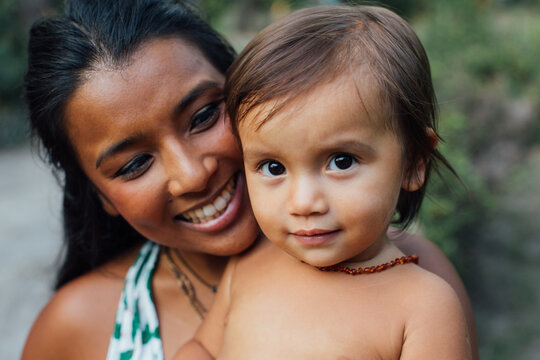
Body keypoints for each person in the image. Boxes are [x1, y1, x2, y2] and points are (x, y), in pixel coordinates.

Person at [20, 1, 477, 359]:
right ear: (102, 195)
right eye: (134, 164)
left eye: (204, 115)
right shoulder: (72, 326)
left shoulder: (421, 285)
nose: (192, 174)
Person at [176, 5, 472, 359]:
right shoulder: (250, 264)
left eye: (341, 162)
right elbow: (200, 349)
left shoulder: (422, 307)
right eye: (272, 167)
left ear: (413, 162)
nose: (303, 203)